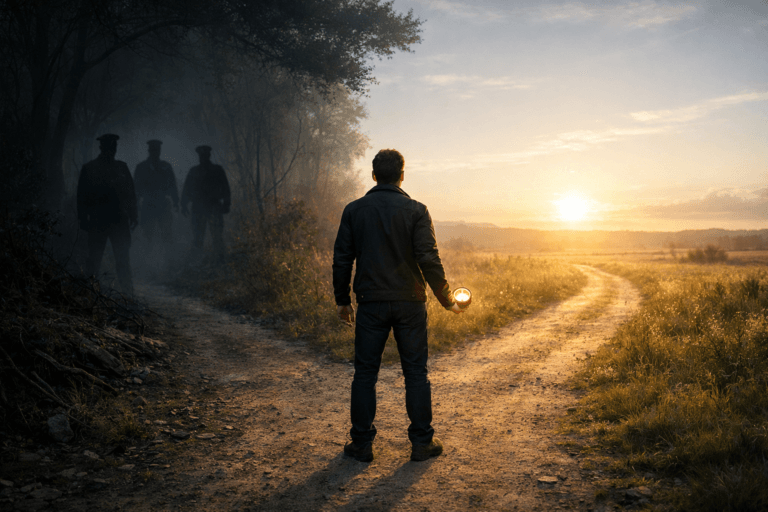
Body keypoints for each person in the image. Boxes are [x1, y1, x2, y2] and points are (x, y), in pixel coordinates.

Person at [332, 148, 465, 463]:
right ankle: (422, 444)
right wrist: (448, 300)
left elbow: (341, 259)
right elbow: (428, 259)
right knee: (416, 373)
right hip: (410, 303)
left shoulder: (354, 210)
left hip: (370, 305)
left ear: (374, 175)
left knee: (365, 374)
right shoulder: (417, 210)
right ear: (403, 175)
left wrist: (342, 301)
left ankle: (361, 445)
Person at [76, 133, 137, 294]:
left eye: (114, 147)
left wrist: (133, 214)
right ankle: (89, 292)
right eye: (110, 147)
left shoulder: (121, 167)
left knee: (122, 259)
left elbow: (130, 193)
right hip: (99, 220)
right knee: (94, 259)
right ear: (102, 148)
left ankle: (128, 293)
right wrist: (83, 218)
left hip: (117, 220)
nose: (113, 150)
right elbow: (81, 196)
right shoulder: (90, 168)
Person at [180, 145, 230, 257]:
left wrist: (226, 204)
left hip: (213, 207)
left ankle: (219, 261)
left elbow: (225, 188)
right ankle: (198, 263)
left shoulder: (217, 170)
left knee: (216, 238)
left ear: (208, 155)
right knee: (199, 238)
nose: (203, 157)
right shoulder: (195, 171)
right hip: (200, 208)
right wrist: (184, 204)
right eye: (202, 155)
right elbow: (187, 189)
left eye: (205, 155)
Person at [133, 139, 179, 246]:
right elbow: (136, 188)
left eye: (157, 149)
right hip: (148, 204)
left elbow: (172, 185)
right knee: (147, 234)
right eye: (154, 149)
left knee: (166, 233)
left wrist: (176, 201)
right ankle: (148, 259)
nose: (156, 152)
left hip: (162, 203)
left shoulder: (165, 166)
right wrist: (136, 204)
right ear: (149, 150)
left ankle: (168, 258)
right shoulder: (141, 167)